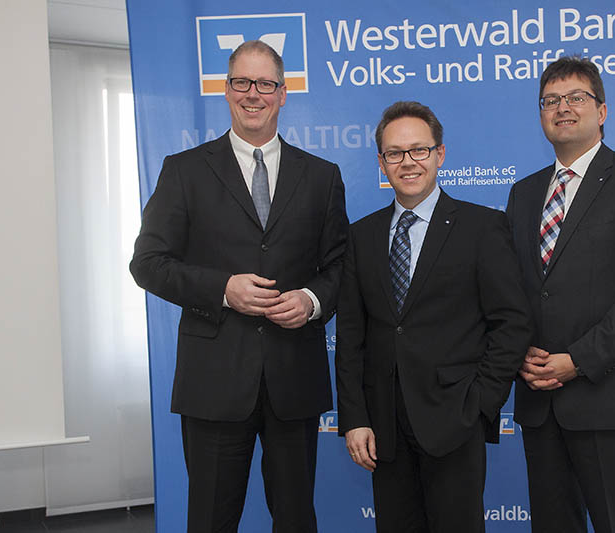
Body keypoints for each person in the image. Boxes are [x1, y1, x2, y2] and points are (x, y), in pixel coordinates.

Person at [130, 40, 348, 532]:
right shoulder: (183, 171)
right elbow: (147, 263)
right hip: (213, 382)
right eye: (241, 83)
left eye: (265, 84)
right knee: (210, 519)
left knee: (296, 518)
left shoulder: (322, 177)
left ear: (283, 93)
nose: (254, 94)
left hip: (293, 379)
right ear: (225, 91)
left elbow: (339, 268)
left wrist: (313, 300)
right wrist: (222, 289)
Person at [336, 101, 532, 533]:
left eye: (419, 150)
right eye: (395, 153)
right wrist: (354, 418)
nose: (408, 162)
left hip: (455, 421)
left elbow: (512, 323)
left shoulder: (482, 228)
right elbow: (351, 335)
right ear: (381, 162)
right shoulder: (361, 236)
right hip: (383, 428)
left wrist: (480, 405)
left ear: (439, 155)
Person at [505, 56, 615, 532]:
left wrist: (576, 360)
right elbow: (514, 293)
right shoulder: (522, 194)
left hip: (607, 395)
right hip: (539, 401)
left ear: (601, 111)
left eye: (576, 97)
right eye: (551, 101)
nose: (563, 108)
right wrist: (521, 354)